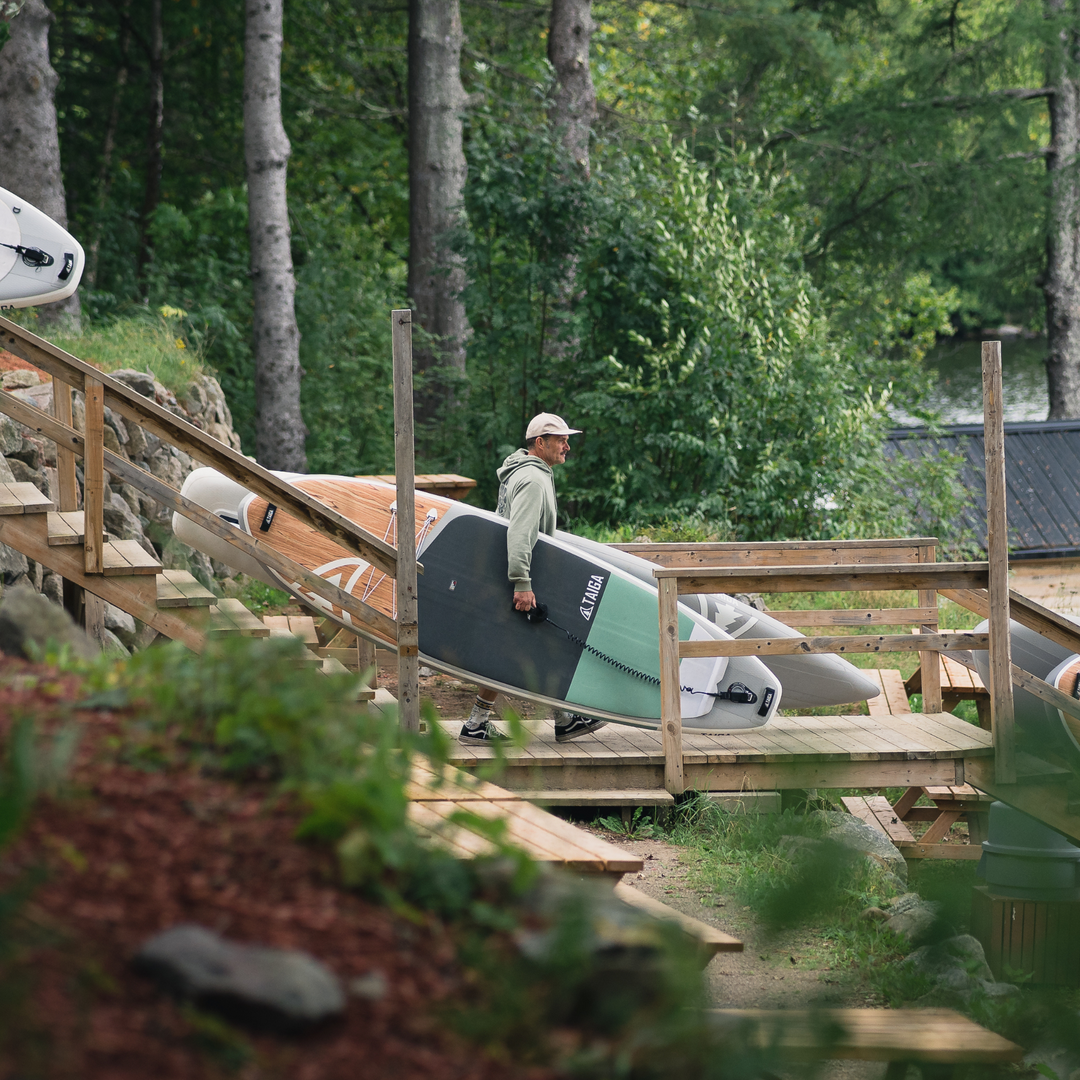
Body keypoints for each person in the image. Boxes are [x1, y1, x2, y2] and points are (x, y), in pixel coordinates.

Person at [459, 412, 609, 744]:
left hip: (516, 576)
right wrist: (522, 581)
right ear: (540, 443)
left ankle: (560, 718)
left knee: (528, 647)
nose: (567, 446)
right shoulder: (531, 479)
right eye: (560, 440)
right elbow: (520, 533)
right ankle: (478, 724)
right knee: (520, 649)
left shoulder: (528, 472)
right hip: (519, 579)